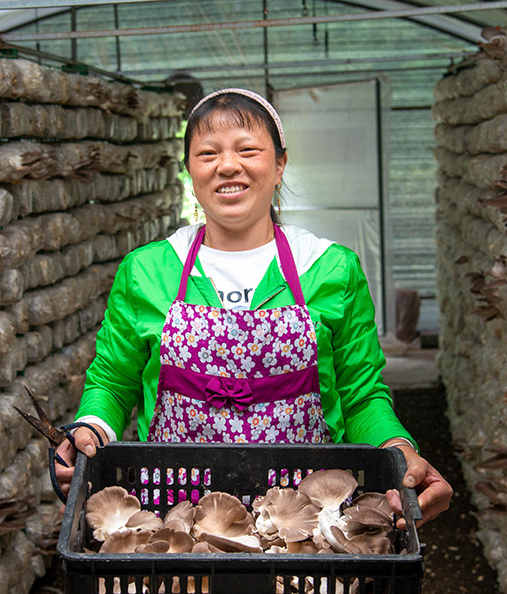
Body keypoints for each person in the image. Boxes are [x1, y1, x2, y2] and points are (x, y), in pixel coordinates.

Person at [55, 88, 451, 528]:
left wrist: (399, 449)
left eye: (248, 150)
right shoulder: (147, 271)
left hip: (306, 524)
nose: (228, 166)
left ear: (279, 164)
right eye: (207, 153)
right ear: (189, 169)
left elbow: (360, 397)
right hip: (176, 523)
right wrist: (89, 430)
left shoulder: (329, 268)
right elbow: (113, 383)